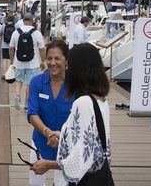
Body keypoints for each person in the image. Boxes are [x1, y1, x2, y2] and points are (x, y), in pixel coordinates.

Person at [30, 43, 111, 186]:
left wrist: (48, 165)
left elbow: (81, 157)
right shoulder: (101, 101)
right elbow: (92, 141)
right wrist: (60, 135)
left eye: (71, 64)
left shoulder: (83, 103)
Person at [27, 40, 74, 185]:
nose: (52, 63)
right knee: (35, 183)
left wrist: (61, 136)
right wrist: (48, 133)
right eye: (49, 58)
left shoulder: (76, 85)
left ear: (66, 60)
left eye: (57, 58)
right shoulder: (36, 82)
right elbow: (32, 114)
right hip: (40, 142)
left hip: (68, 145)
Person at [9, 13, 46, 111]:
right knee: (30, 84)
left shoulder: (16, 32)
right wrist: (43, 61)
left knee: (18, 80)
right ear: (32, 21)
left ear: (23, 20)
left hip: (18, 62)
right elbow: (42, 49)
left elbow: (11, 48)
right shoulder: (36, 33)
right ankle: (26, 105)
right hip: (33, 63)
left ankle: (17, 95)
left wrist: (12, 61)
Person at [0, 14, 15, 79]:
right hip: (12, 46)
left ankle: (4, 73)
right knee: (10, 60)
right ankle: (9, 74)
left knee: (4, 60)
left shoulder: (3, 25)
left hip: (4, 45)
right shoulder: (15, 25)